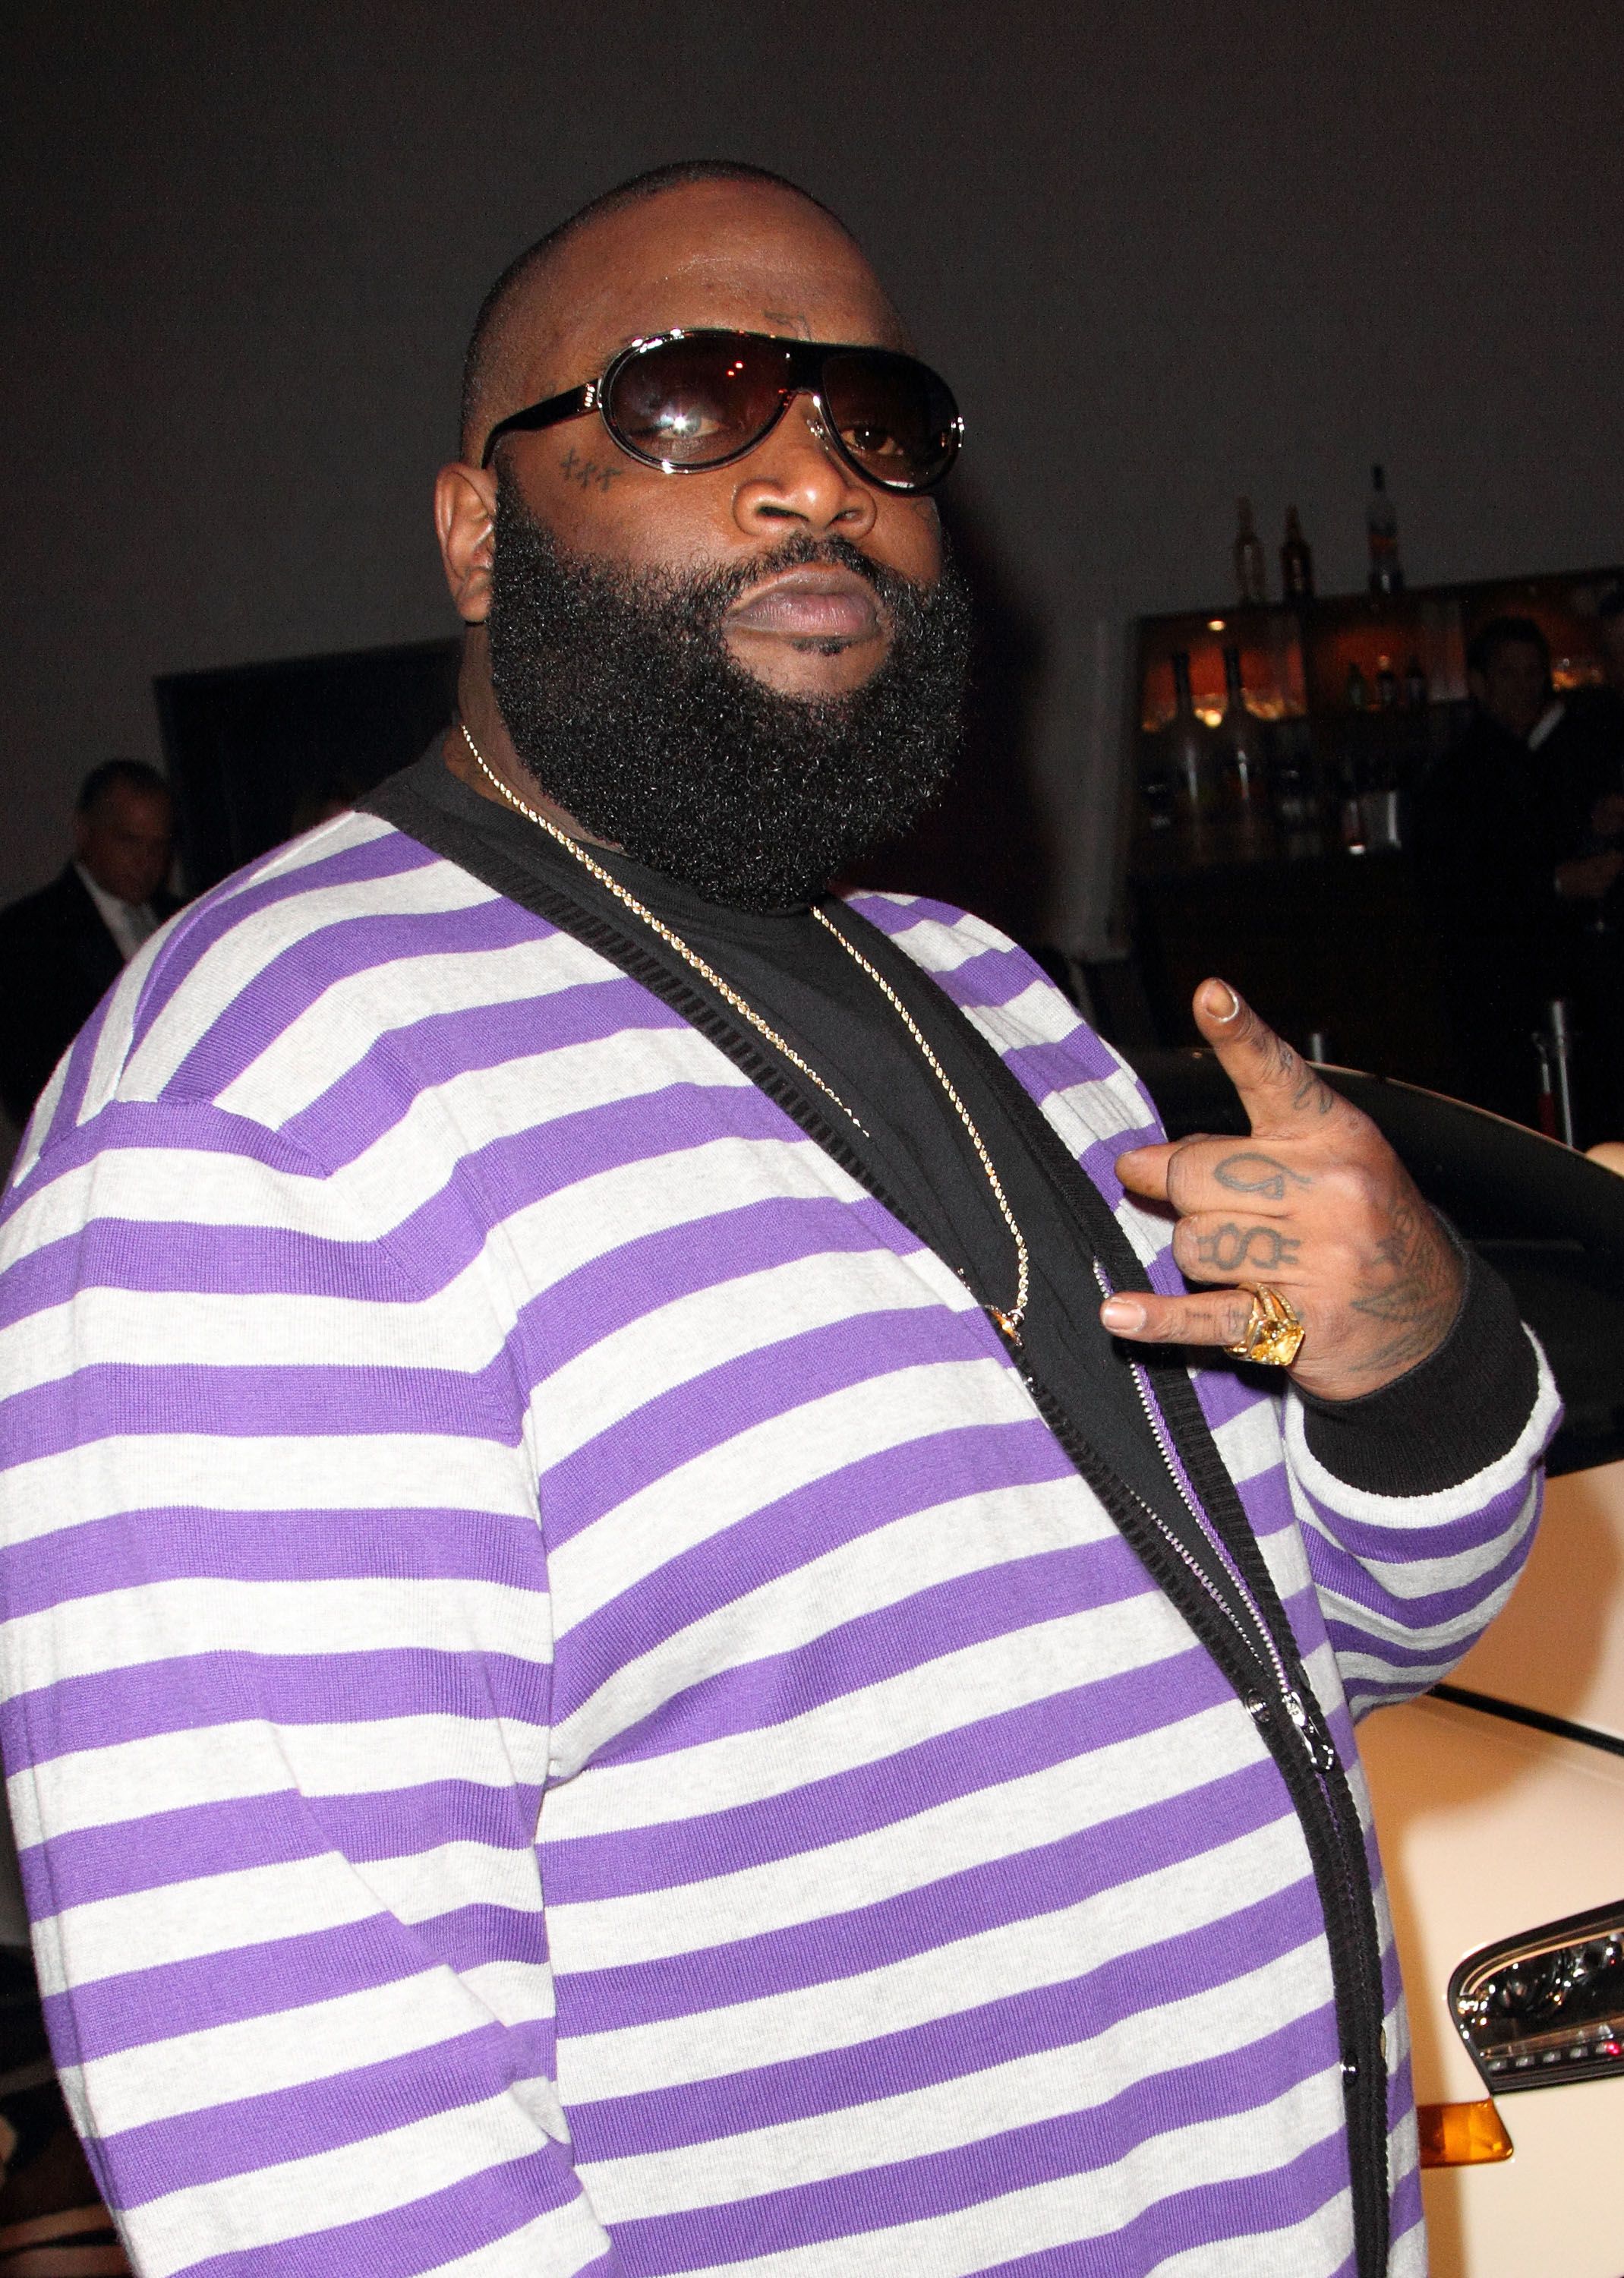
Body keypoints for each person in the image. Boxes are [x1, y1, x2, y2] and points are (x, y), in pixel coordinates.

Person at [0, 163, 1555, 2278]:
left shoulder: (996, 1003)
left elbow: (1324, 1661)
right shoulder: (268, 1090)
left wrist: (1412, 1371)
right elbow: (317, 2134)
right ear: (476, 531)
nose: (818, 477)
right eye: (688, 402)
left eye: (876, 419)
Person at [1414, 614, 1621, 1124]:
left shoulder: (1549, 753)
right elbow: (1462, 890)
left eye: (1534, 674)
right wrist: (1557, 882)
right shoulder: (1459, 774)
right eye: (1509, 674)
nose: (1525, 688)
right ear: (1480, 685)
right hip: (1498, 994)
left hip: (1560, 981)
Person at [0, 759, 178, 1128]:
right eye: (128, 840)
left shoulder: (185, 916)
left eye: (158, 846)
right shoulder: (26, 934)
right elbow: (28, 1082)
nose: (145, 861)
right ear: (84, 832)